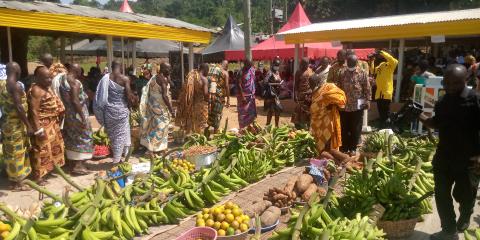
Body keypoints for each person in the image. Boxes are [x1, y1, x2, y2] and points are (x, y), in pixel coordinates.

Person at [419, 64, 480, 240]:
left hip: (468, 159)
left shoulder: (475, 100)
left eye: (456, 83)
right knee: (441, 193)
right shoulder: (443, 101)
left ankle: (465, 215)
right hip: (444, 156)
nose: (451, 87)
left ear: (466, 80)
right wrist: (424, 119)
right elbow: (439, 123)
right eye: (447, 83)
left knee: (464, 195)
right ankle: (449, 230)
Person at [28, 66, 65, 184]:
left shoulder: (46, 88)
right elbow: (33, 111)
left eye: (50, 78)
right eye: (45, 78)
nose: (49, 80)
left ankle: (48, 170)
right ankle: (38, 177)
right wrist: (38, 130)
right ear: (37, 78)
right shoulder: (36, 90)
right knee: (41, 151)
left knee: (51, 150)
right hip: (42, 125)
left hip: (52, 124)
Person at [94, 61, 134, 164]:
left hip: (109, 111)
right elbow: (129, 96)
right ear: (120, 66)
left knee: (113, 136)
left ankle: (118, 157)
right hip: (121, 111)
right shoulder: (124, 79)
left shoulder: (105, 79)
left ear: (111, 67)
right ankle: (116, 160)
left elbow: (100, 94)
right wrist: (132, 104)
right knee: (120, 135)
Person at [0, 62, 32, 190]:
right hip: (15, 124)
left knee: (9, 152)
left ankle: (13, 178)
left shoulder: (2, 84)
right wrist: (28, 125)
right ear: (17, 71)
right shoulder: (15, 86)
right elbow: (19, 107)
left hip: (7, 123)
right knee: (17, 152)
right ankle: (18, 182)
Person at [59, 63, 93, 175]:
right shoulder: (75, 82)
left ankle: (72, 163)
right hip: (77, 113)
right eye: (80, 72)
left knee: (72, 137)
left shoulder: (63, 79)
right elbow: (75, 99)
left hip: (69, 114)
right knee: (84, 137)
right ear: (77, 71)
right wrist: (82, 117)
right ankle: (79, 165)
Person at [336, 54, 371, 155]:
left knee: (356, 128)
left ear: (356, 63)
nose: (350, 65)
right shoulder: (342, 73)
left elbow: (367, 88)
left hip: (357, 106)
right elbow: (338, 88)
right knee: (344, 127)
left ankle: (353, 148)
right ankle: (344, 147)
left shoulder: (362, 73)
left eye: (352, 63)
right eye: (349, 63)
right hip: (344, 106)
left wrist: (367, 101)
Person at [139, 62, 175, 155]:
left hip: (152, 106)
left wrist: (169, 77)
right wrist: (171, 109)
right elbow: (164, 96)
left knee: (153, 126)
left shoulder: (154, 77)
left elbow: (172, 84)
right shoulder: (162, 79)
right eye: (169, 69)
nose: (170, 71)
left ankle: (157, 148)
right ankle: (152, 149)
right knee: (161, 126)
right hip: (159, 107)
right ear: (164, 69)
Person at [310, 68, 346, 153]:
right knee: (319, 137)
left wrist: (331, 104)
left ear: (318, 82)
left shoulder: (328, 87)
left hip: (329, 118)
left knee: (329, 136)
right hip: (318, 121)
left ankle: (331, 154)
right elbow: (315, 107)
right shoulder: (314, 92)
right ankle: (323, 153)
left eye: (312, 83)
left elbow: (340, 96)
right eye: (310, 83)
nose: (310, 85)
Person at [176, 64, 209, 134]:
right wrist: (208, 101)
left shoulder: (191, 76)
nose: (207, 73)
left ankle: (191, 136)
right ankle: (199, 137)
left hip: (190, 104)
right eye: (207, 71)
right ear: (205, 69)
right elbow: (206, 94)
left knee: (191, 121)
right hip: (200, 105)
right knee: (200, 123)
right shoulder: (204, 79)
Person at [374, 50, 398, 127]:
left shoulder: (394, 63)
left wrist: (381, 52)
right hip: (379, 93)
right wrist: (371, 61)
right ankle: (382, 127)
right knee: (381, 112)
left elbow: (390, 59)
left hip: (386, 92)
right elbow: (373, 70)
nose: (386, 55)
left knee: (386, 112)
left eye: (388, 54)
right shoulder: (382, 64)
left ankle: (388, 127)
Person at [207, 61, 230, 134]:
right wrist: (228, 99)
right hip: (220, 96)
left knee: (211, 112)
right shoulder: (225, 73)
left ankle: (207, 130)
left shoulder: (213, 70)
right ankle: (215, 132)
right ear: (226, 66)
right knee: (218, 114)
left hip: (211, 95)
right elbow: (226, 86)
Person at [292, 57, 314, 129]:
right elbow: (296, 84)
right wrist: (295, 95)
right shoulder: (298, 72)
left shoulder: (311, 71)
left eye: (305, 64)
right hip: (300, 95)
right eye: (302, 64)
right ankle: (298, 127)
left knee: (307, 111)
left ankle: (307, 127)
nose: (303, 65)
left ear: (307, 64)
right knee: (298, 111)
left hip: (308, 95)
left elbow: (313, 82)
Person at [237, 59, 257, 129]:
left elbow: (253, 81)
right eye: (248, 65)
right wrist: (242, 96)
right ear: (245, 64)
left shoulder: (251, 70)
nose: (249, 67)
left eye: (250, 66)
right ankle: (242, 128)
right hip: (243, 96)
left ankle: (250, 128)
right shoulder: (241, 72)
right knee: (243, 114)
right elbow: (238, 84)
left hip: (251, 96)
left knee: (251, 113)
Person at [263, 58, 283, 127]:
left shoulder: (277, 72)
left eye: (278, 65)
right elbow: (265, 82)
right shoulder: (269, 72)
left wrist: (279, 84)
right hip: (270, 94)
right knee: (271, 111)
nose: (277, 66)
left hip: (276, 94)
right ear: (273, 65)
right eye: (276, 65)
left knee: (277, 110)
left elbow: (279, 80)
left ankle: (276, 126)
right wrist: (272, 84)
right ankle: (267, 125)